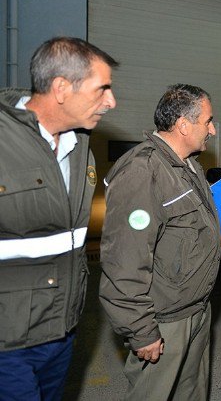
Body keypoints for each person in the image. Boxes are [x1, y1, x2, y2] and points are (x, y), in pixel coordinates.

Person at [98, 84, 221, 400]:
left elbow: (181, 226)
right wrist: (142, 330)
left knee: (191, 393)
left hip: (195, 309)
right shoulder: (143, 171)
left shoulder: (187, 164)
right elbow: (124, 259)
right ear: (184, 126)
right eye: (208, 121)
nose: (212, 129)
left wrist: (213, 236)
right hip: (164, 319)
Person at [0, 37, 118, 401]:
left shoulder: (81, 143)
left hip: (61, 330)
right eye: (103, 89)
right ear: (62, 88)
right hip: (7, 341)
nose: (111, 102)